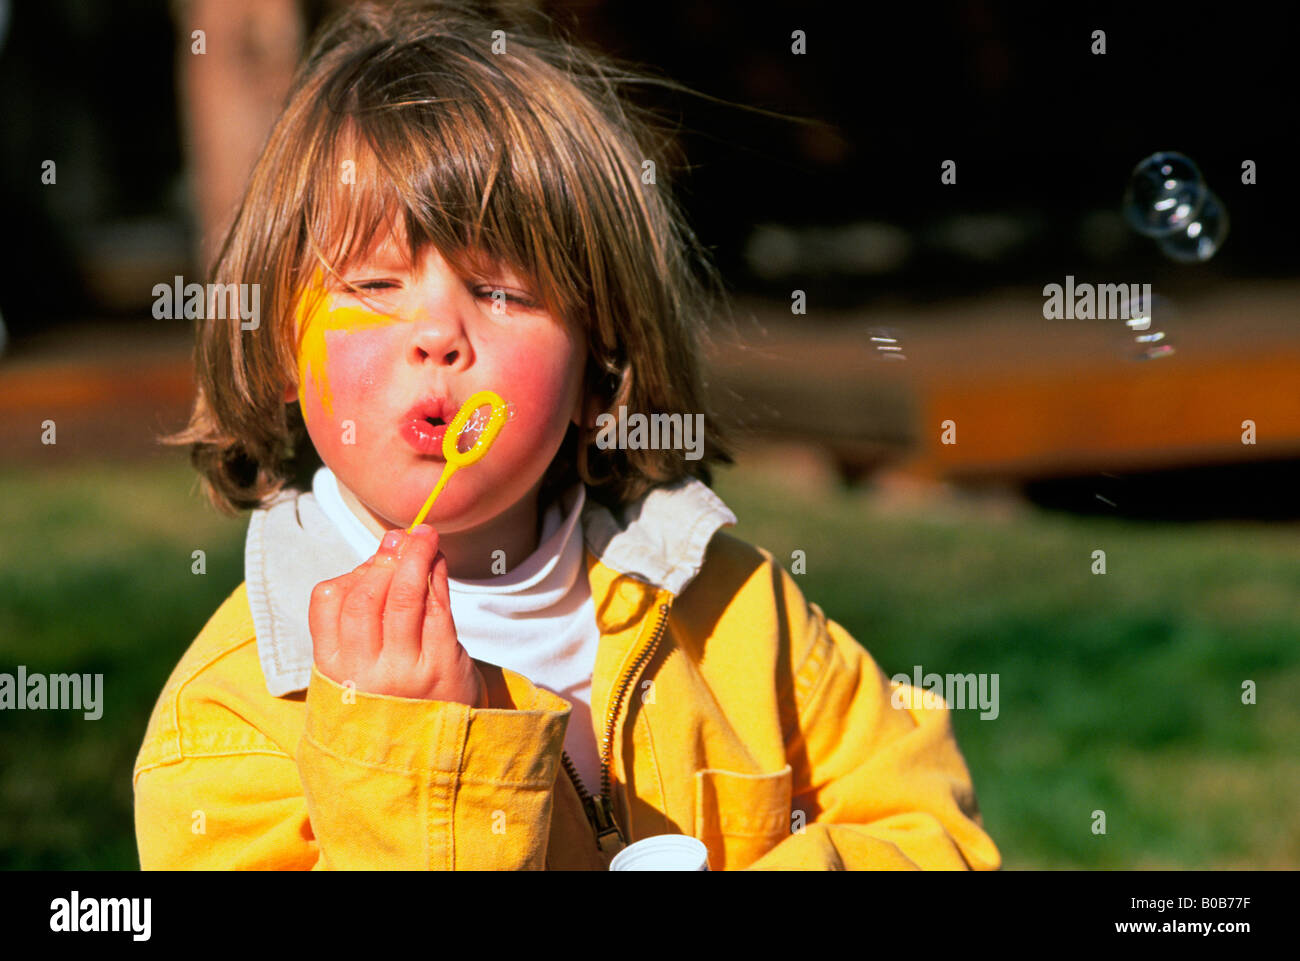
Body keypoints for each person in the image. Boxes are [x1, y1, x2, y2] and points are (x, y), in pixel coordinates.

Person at [134, 0, 1001, 871]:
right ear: (282, 345)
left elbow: (931, 831)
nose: (439, 334)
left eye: (504, 293)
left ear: (600, 367)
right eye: (371, 284)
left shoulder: (733, 611)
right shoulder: (231, 717)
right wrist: (400, 753)